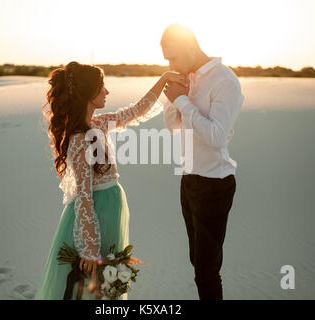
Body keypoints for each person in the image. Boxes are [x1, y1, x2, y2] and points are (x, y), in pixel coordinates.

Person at [34, 61, 187, 299]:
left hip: (111, 208)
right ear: (88, 92)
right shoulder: (78, 140)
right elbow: (84, 197)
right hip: (96, 215)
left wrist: (164, 78)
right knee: (91, 287)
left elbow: (138, 110)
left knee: (106, 288)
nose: (106, 91)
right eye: (101, 86)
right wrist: (90, 248)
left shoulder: (100, 123)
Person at [161, 24, 244, 300]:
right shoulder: (188, 78)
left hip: (214, 185)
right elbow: (173, 125)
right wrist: (172, 99)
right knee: (198, 263)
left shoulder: (224, 80)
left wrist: (183, 101)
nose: (170, 65)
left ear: (189, 47)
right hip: (189, 180)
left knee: (206, 271)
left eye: (172, 57)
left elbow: (217, 136)